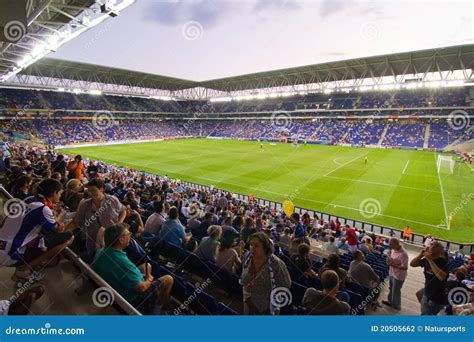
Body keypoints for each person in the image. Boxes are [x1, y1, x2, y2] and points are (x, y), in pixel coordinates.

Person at [0, 179, 74, 281]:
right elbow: (57, 230)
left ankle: (22, 268)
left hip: (3, 245)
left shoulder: (29, 199)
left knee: (34, 235)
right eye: (60, 193)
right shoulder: (43, 209)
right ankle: (24, 270)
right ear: (54, 193)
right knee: (69, 237)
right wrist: (60, 215)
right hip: (9, 255)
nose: (60, 196)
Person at [92, 223, 173, 314]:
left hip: (114, 288)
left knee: (147, 265)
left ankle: (151, 301)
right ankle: (156, 311)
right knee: (168, 279)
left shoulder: (100, 251)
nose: (130, 237)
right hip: (132, 300)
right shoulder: (122, 262)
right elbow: (141, 288)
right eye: (128, 235)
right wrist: (149, 279)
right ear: (121, 240)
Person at [71, 178, 126, 257]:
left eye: (93, 190)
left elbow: (123, 211)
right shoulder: (84, 205)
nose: (91, 193)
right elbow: (76, 222)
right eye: (89, 190)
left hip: (113, 240)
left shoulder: (112, 200)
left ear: (102, 189)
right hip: (93, 243)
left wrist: (119, 224)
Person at [241, 232, 291, 315]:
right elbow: (243, 277)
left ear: (265, 248)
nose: (252, 248)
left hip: (267, 308)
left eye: (256, 246)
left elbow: (285, 284)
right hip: (247, 301)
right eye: (251, 244)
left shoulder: (276, 264)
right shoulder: (248, 257)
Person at [410, 241, 449, 315]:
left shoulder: (443, 262)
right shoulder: (427, 259)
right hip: (428, 290)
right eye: (431, 244)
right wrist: (421, 255)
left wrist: (430, 260)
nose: (431, 246)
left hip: (435, 297)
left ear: (440, 250)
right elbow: (412, 264)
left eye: (435, 245)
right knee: (419, 294)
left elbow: (441, 277)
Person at [382, 237, 408, 310]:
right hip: (392, 273)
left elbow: (405, 267)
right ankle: (390, 301)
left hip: (399, 276)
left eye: (391, 245)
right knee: (391, 288)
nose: (390, 247)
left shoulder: (404, 254)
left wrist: (392, 265)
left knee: (396, 291)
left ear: (396, 244)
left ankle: (397, 305)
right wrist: (389, 257)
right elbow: (393, 258)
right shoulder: (393, 249)